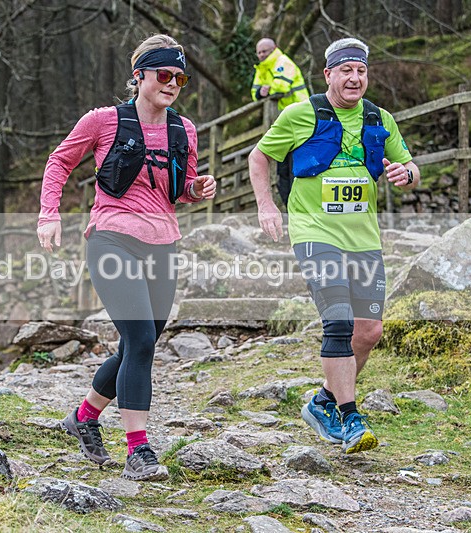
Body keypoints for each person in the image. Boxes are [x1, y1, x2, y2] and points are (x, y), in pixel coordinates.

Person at [37, 34, 216, 480]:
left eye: (180, 78)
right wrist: (49, 214)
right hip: (112, 239)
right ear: (140, 76)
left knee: (142, 343)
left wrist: (196, 189)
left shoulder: (184, 130)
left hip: (163, 242)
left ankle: (83, 417)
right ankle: (139, 450)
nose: (172, 83)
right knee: (139, 340)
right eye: (164, 75)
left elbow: (181, 189)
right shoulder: (103, 121)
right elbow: (59, 162)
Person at [247, 37, 419, 454]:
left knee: (369, 331)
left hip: (364, 238)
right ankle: (349, 416)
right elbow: (259, 156)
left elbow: (410, 165)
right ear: (328, 74)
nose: (354, 78)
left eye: (361, 71)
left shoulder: (379, 117)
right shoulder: (300, 113)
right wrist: (267, 205)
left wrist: (407, 175)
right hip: (315, 232)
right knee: (338, 322)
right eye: (346, 70)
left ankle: (322, 400)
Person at [251, 38, 310, 208]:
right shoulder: (261, 68)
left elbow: (281, 86)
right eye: (259, 52)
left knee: (295, 165)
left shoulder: (283, 62)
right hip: (281, 122)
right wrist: (263, 91)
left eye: (265, 51)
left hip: (300, 118)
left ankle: (297, 204)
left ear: (274, 49)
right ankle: (288, 204)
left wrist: (267, 89)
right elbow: (255, 92)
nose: (261, 55)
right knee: (282, 167)